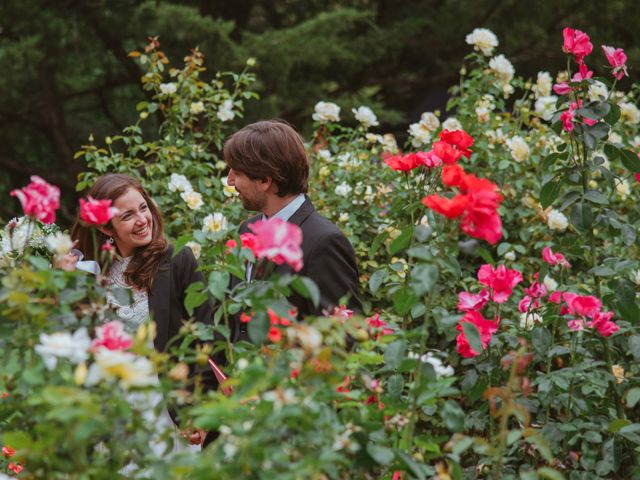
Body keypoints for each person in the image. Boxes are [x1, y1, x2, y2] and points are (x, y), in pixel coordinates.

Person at [67, 173, 218, 453]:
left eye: (143, 208)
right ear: (106, 229)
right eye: (127, 216)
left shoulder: (176, 261)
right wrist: (63, 282)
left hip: (169, 412)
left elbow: (206, 336)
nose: (142, 220)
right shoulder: (91, 275)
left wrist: (200, 408)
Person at [225, 119, 363, 341]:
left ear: (264, 180)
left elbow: (344, 336)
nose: (230, 181)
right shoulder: (248, 229)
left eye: (237, 173)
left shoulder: (324, 242)